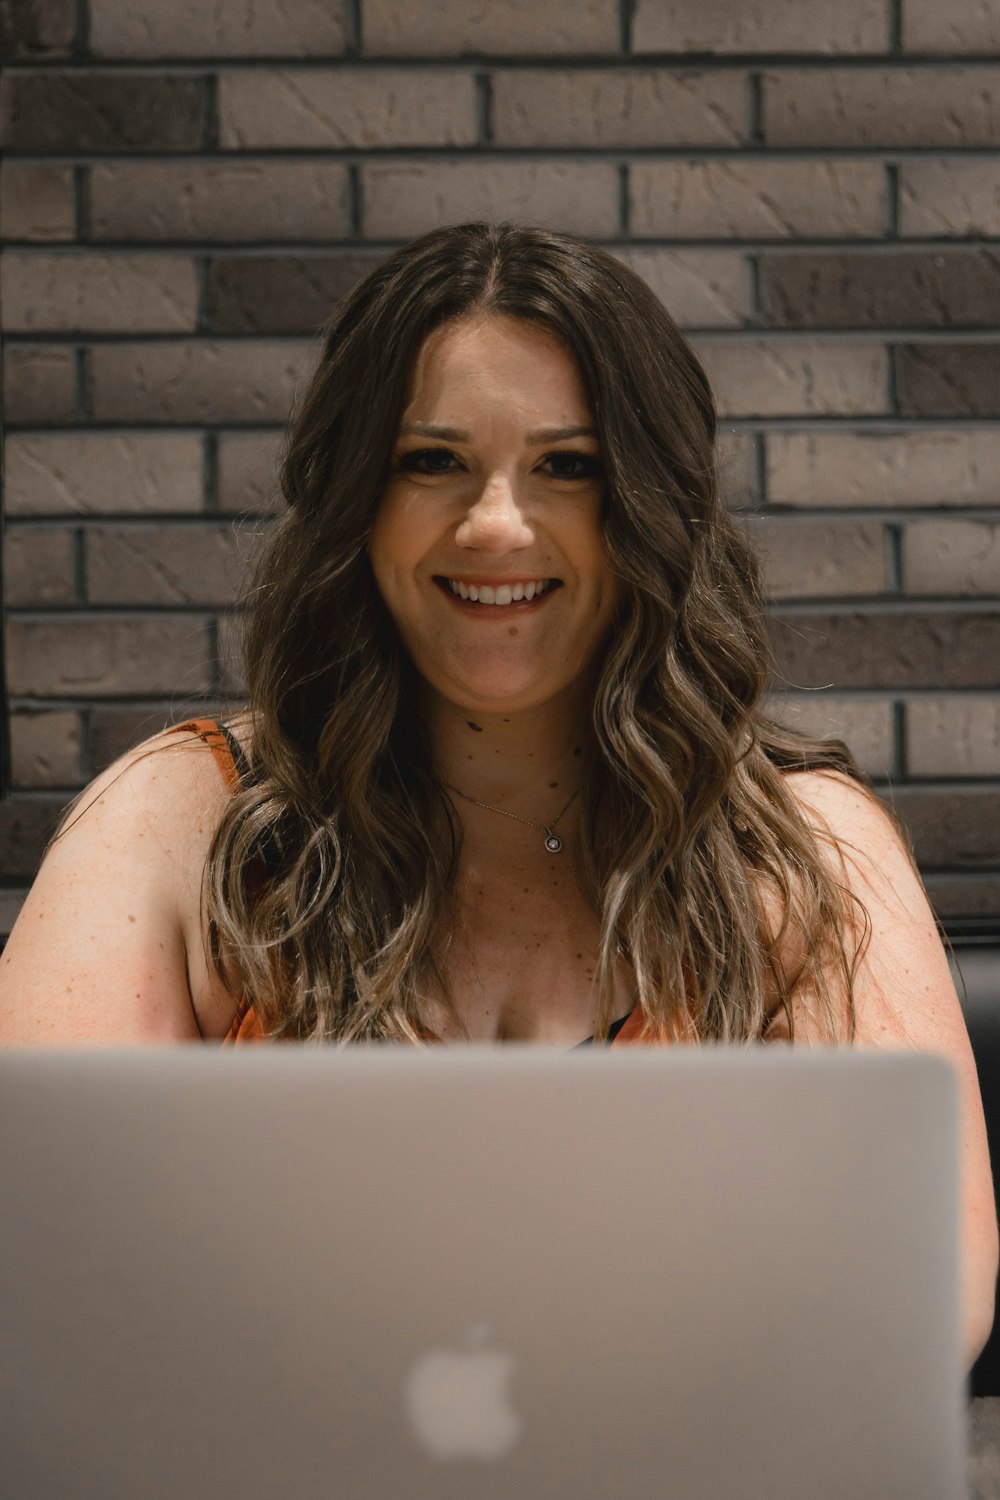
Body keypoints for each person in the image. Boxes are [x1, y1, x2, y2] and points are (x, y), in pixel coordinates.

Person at [0, 222, 995, 1367]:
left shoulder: (799, 849)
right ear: (353, 502)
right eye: (430, 462)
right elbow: (42, 1264)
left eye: (568, 466)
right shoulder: (177, 819)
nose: (495, 524)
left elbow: (921, 1299)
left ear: (649, 507)